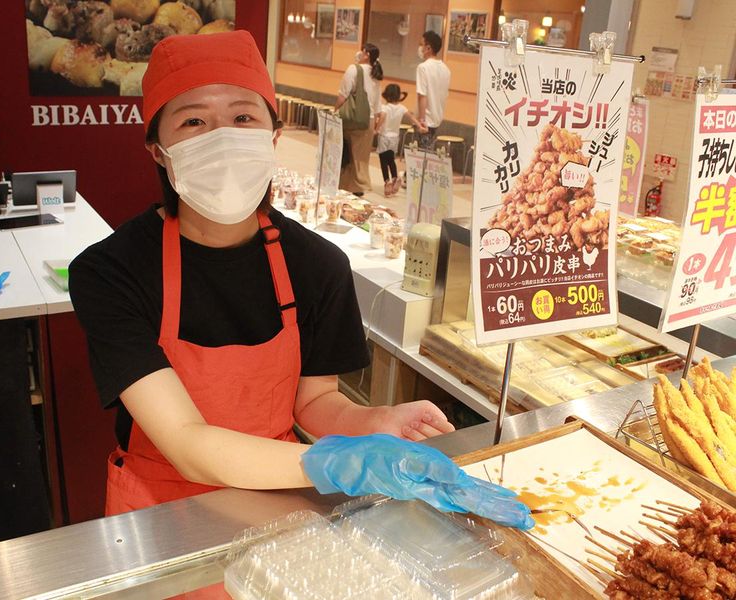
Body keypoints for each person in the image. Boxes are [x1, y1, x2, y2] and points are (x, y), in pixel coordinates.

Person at [69, 30, 532, 530]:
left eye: (243, 117)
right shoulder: (112, 272)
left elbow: (315, 402)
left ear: (273, 136)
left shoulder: (316, 264)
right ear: (159, 150)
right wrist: (332, 462)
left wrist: (374, 423)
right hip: (157, 511)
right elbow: (186, 441)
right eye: (194, 121)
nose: (222, 137)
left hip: (275, 501)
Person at [334, 43, 383, 196]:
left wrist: (335, 111)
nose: (359, 53)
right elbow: (378, 104)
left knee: (347, 154)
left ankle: (348, 187)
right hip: (369, 121)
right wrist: (376, 125)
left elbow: (343, 95)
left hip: (353, 118)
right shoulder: (376, 74)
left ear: (367, 54)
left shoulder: (354, 69)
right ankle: (357, 189)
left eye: (362, 51)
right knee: (361, 158)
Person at [375, 83, 423, 196]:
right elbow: (411, 117)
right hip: (395, 138)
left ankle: (387, 181)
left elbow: (382, 117)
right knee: (391, 159)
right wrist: (420, 126)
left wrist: (376, 129)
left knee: (383, 161)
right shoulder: (402, 108)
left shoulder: (385, 107)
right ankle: (395, 177)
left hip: (384, 137)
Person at [416, 30, 451, 148]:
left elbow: (422, 95)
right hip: (437, 120)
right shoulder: (446, 69)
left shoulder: (423, 68)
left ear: (428, 48)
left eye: (421, 44)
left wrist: (421, 121)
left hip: (425, 121)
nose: (419, 48)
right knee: (429, 154)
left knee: (419, 156)